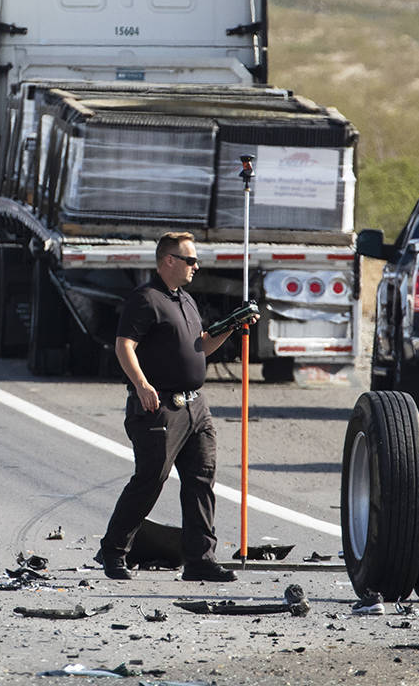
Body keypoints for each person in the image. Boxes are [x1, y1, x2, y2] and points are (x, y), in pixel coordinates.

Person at [96, 231, 257, 582]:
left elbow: (201, 346)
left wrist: (232, 325)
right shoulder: (146, 299)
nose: (196, 266)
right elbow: (124, 345)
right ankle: (113, 550)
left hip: (196, 407)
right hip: (160, 407)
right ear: (169, 260)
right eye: (190, 260)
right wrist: (142, 384)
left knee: (201, 480)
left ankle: (200, 560)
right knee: (151, 478)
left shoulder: (186, 300)